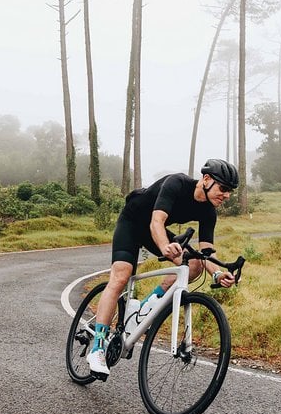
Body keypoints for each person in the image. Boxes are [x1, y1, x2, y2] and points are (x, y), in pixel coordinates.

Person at [87, 158, 240, 380]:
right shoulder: (177, 183)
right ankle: (98, 347)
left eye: (230, 192)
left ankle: (144, 310)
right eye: (223, 188)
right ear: (206, 179)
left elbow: (206, 251)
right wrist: (164, 247)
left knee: (194, 265)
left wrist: (217, 272)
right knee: (121, 276)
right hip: (133, 222)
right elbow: (156, 222)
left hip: (153, 231)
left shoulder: (209, 211)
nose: (226, 195)